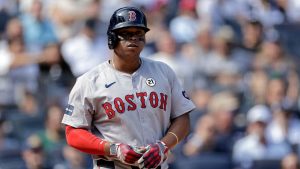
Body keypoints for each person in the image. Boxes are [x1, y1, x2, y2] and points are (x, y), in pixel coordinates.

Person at [61, 6, 195, 169]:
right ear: (112, 38)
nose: (134, 39)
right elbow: (73, 133)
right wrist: (113, 149)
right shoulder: (89, 81)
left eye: (139, 34)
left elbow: (182, 117)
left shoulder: (163, 72)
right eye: (126, 33)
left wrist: (163, 146)